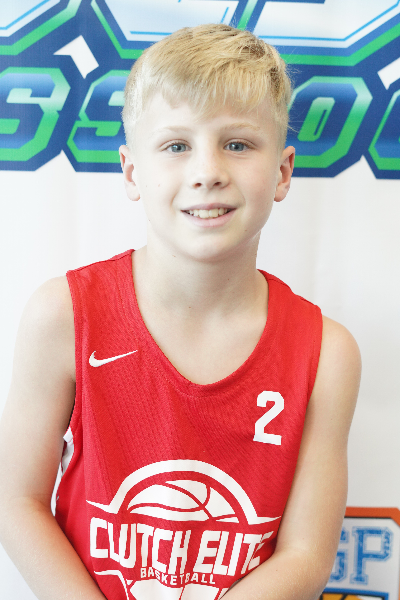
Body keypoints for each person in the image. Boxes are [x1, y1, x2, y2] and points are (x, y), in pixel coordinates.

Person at [0, 23, 360, 600]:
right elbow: (16, 501)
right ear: (131, 171)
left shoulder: (327, 353)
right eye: (176, 146)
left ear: (283, 171)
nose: (207, 170)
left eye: (237, 144)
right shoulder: (64, 315)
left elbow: (307, 556)